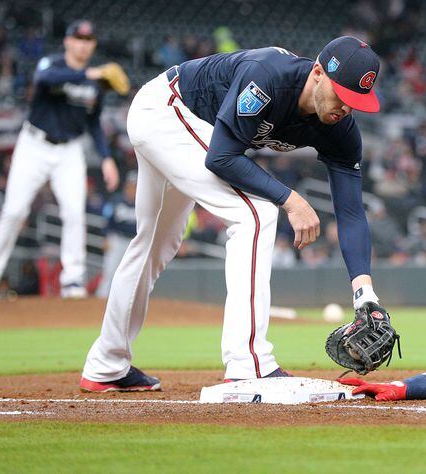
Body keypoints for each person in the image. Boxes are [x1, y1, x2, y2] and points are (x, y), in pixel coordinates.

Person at [80, 36, 390, 392]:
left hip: (188, 127)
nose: (346, 109)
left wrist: (364, 292)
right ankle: (248, 362)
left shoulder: (341, 128)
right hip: (169, 110)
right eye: (342, 96)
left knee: (154, 246)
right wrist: (291, 199)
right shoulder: (269, 78)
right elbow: (221, 158)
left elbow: (350, 211)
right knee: (256, 214)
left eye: (356, 102)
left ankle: (107, 363)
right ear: (318, 73)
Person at [0, 20, 120, 299]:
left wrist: (106, 158)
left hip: (69, 150)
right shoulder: (51, 64)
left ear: (92, 45)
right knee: (14, 211)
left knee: (73, 213)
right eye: (78, 38)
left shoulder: (95, 84)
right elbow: (45, 81)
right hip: (34, 145)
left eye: (88, 39)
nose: (83, 44)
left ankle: (72, 281)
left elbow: (93, 123)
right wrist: (89, 74)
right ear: (68, 41)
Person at [96, 171, 138, 297]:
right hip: (117, 239)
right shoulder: (116, 201)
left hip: (134, 242)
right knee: (110, 271)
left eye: (135, 186)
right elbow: (107, 221)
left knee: (132, 275)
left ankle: (127, 302)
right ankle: (101, 299)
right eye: (130, 186)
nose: (132, 189)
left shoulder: (144, 203)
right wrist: (105, 237)